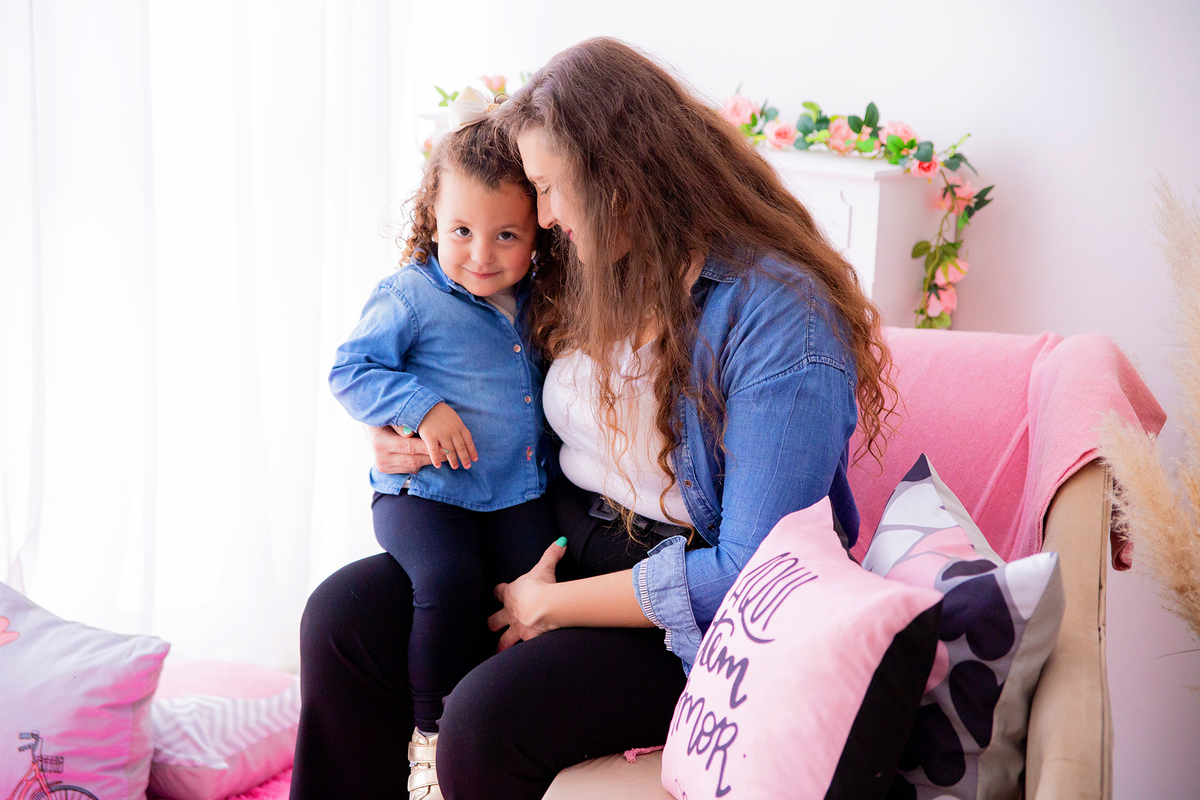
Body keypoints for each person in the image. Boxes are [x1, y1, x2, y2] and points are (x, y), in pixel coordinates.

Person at [291, 38, 895, 800]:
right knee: (339, 622)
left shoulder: (780, 317)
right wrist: (404, 427)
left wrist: (550, 603)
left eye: (549, 188)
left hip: (677, 613)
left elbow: (753, 570)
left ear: (621, 178)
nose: (539, 217)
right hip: (547, 536)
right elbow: (477, 369)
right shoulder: (582, 265)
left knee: (482, 721)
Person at [325, 95, 561, 800]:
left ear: (537, 235)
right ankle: (430, 743)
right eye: (460, 230)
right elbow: (350, 370)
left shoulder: (540, 298)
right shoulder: (409, 297)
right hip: (424, 495)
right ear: (431, 217)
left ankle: (509, 734)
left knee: (541, 589)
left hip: (515, 492)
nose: (480, 256)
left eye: (506, 237)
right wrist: (419, 407)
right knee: (450, 582)